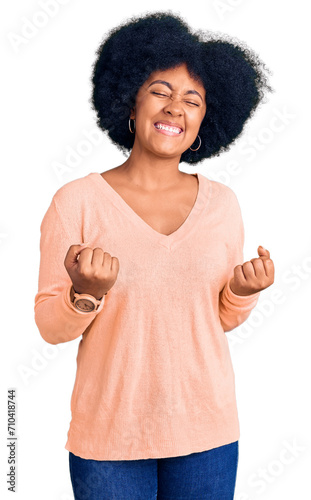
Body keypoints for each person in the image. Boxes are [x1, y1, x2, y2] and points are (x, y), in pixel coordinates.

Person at [34, 11, 275, 500]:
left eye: (192, 99)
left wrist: (242, 293)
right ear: (130, 100)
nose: (175, 109)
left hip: (207, 433)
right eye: (160, 91)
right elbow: (49, 327)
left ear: (208, 117)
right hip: (109, 439)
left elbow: (217, 320)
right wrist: (86, 294)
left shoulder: (222, 204)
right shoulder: (76, 201)